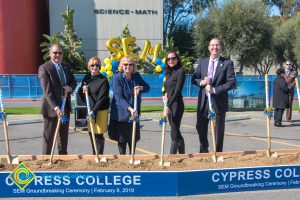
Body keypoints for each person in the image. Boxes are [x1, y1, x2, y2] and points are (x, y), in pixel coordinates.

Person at [191, 37, 236, 153]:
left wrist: (214, 90)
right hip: (203, 103)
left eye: (217, 45)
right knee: (200, 127)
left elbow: (231, 82)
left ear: (221, 48)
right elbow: (194, 79)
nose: (214, 47)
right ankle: (204, 150)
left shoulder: (227, 63)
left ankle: (218, 153)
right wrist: (202, 82)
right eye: (212, 45)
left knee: (218, 130)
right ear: (208, 48)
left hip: (218, 102)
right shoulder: (202, 62)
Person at [38, 44, 77, 155]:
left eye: (60, 53)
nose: (58, 55)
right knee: (49, 137)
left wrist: (69, 88)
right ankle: (46, 158)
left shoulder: (66, 66)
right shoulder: (44, 68)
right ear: (50, 53)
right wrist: (56, 108)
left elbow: (73, 81)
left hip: (65, 108)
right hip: (52, 109)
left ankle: (63, 159)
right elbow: (47, 91)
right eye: (55, 52)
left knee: (63, 137)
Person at [108, 56, 150, 154]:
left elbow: (147, 87)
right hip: (122, 114)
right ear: (121, 66)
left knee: (133, 139)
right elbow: (118, 97)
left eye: (130, 64)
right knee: (122, 141)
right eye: (125, 64)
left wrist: (140, 88)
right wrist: (130, 109)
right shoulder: (116, 77)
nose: (128, 66)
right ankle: (123, 161)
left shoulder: (136, 76)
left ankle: (132, 159)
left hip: (134, 113)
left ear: (133, 66)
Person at [78, 57, 110, 155]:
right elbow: (81, 94)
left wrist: (94, 111)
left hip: (100, 110)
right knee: (91, 133)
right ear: (89, 67)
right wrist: (83, 90)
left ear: (99, 67)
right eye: (92, 65)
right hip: (90, 109)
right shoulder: (86, 78)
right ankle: (94, 154)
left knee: (98, 134)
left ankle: (99, 155)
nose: (95, 67)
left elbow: (102, 98)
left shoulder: (103, 80)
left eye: (97, 65)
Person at [163, 51, 186, 154]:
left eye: (173, 58)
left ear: (177, 59)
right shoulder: (168, 73)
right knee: (176, 131)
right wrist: (164, 95)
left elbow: (177, 91)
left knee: (174, 132)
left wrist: (168, 105)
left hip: (176, 104)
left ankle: (171, 157)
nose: (171, 60)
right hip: (169, 105)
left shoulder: (180, 71)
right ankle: (182, 154)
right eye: (168, 59)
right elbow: (167, 89)